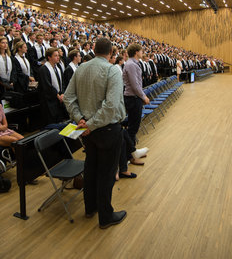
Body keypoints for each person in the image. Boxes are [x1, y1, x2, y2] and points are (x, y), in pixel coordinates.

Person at [64, 37, 127, 229]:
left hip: (87, 131)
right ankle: (106, 216)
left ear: (94, 49)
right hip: (106, 129)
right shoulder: (112, 70)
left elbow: (68, 98)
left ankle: (90, 208)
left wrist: (80, 120)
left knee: (91, 170)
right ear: (110, 53)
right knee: (107, 174)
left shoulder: (81, 67)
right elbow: (111, 106)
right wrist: (90, 124)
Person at [123, 44, 150, 165]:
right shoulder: (131, 64)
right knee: (132, 128)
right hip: (133, 98)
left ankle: (132, 153)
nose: (142, 52)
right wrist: (144, 96)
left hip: (134, 98)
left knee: (133, 127)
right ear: (136, 52)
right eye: (141, 51)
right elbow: (135, 85)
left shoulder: (133, 63)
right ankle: (130, 155)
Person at [38, 47, 68, 124]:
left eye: (58, 55)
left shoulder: (58, 68)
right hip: (49, 101)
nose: (58, 57)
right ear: (49, 57)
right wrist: (57, 95)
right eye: (55, 55)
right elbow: (47, 86)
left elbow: (62, 83)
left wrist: (62, 94)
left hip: (59, 99)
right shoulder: (44, 69)